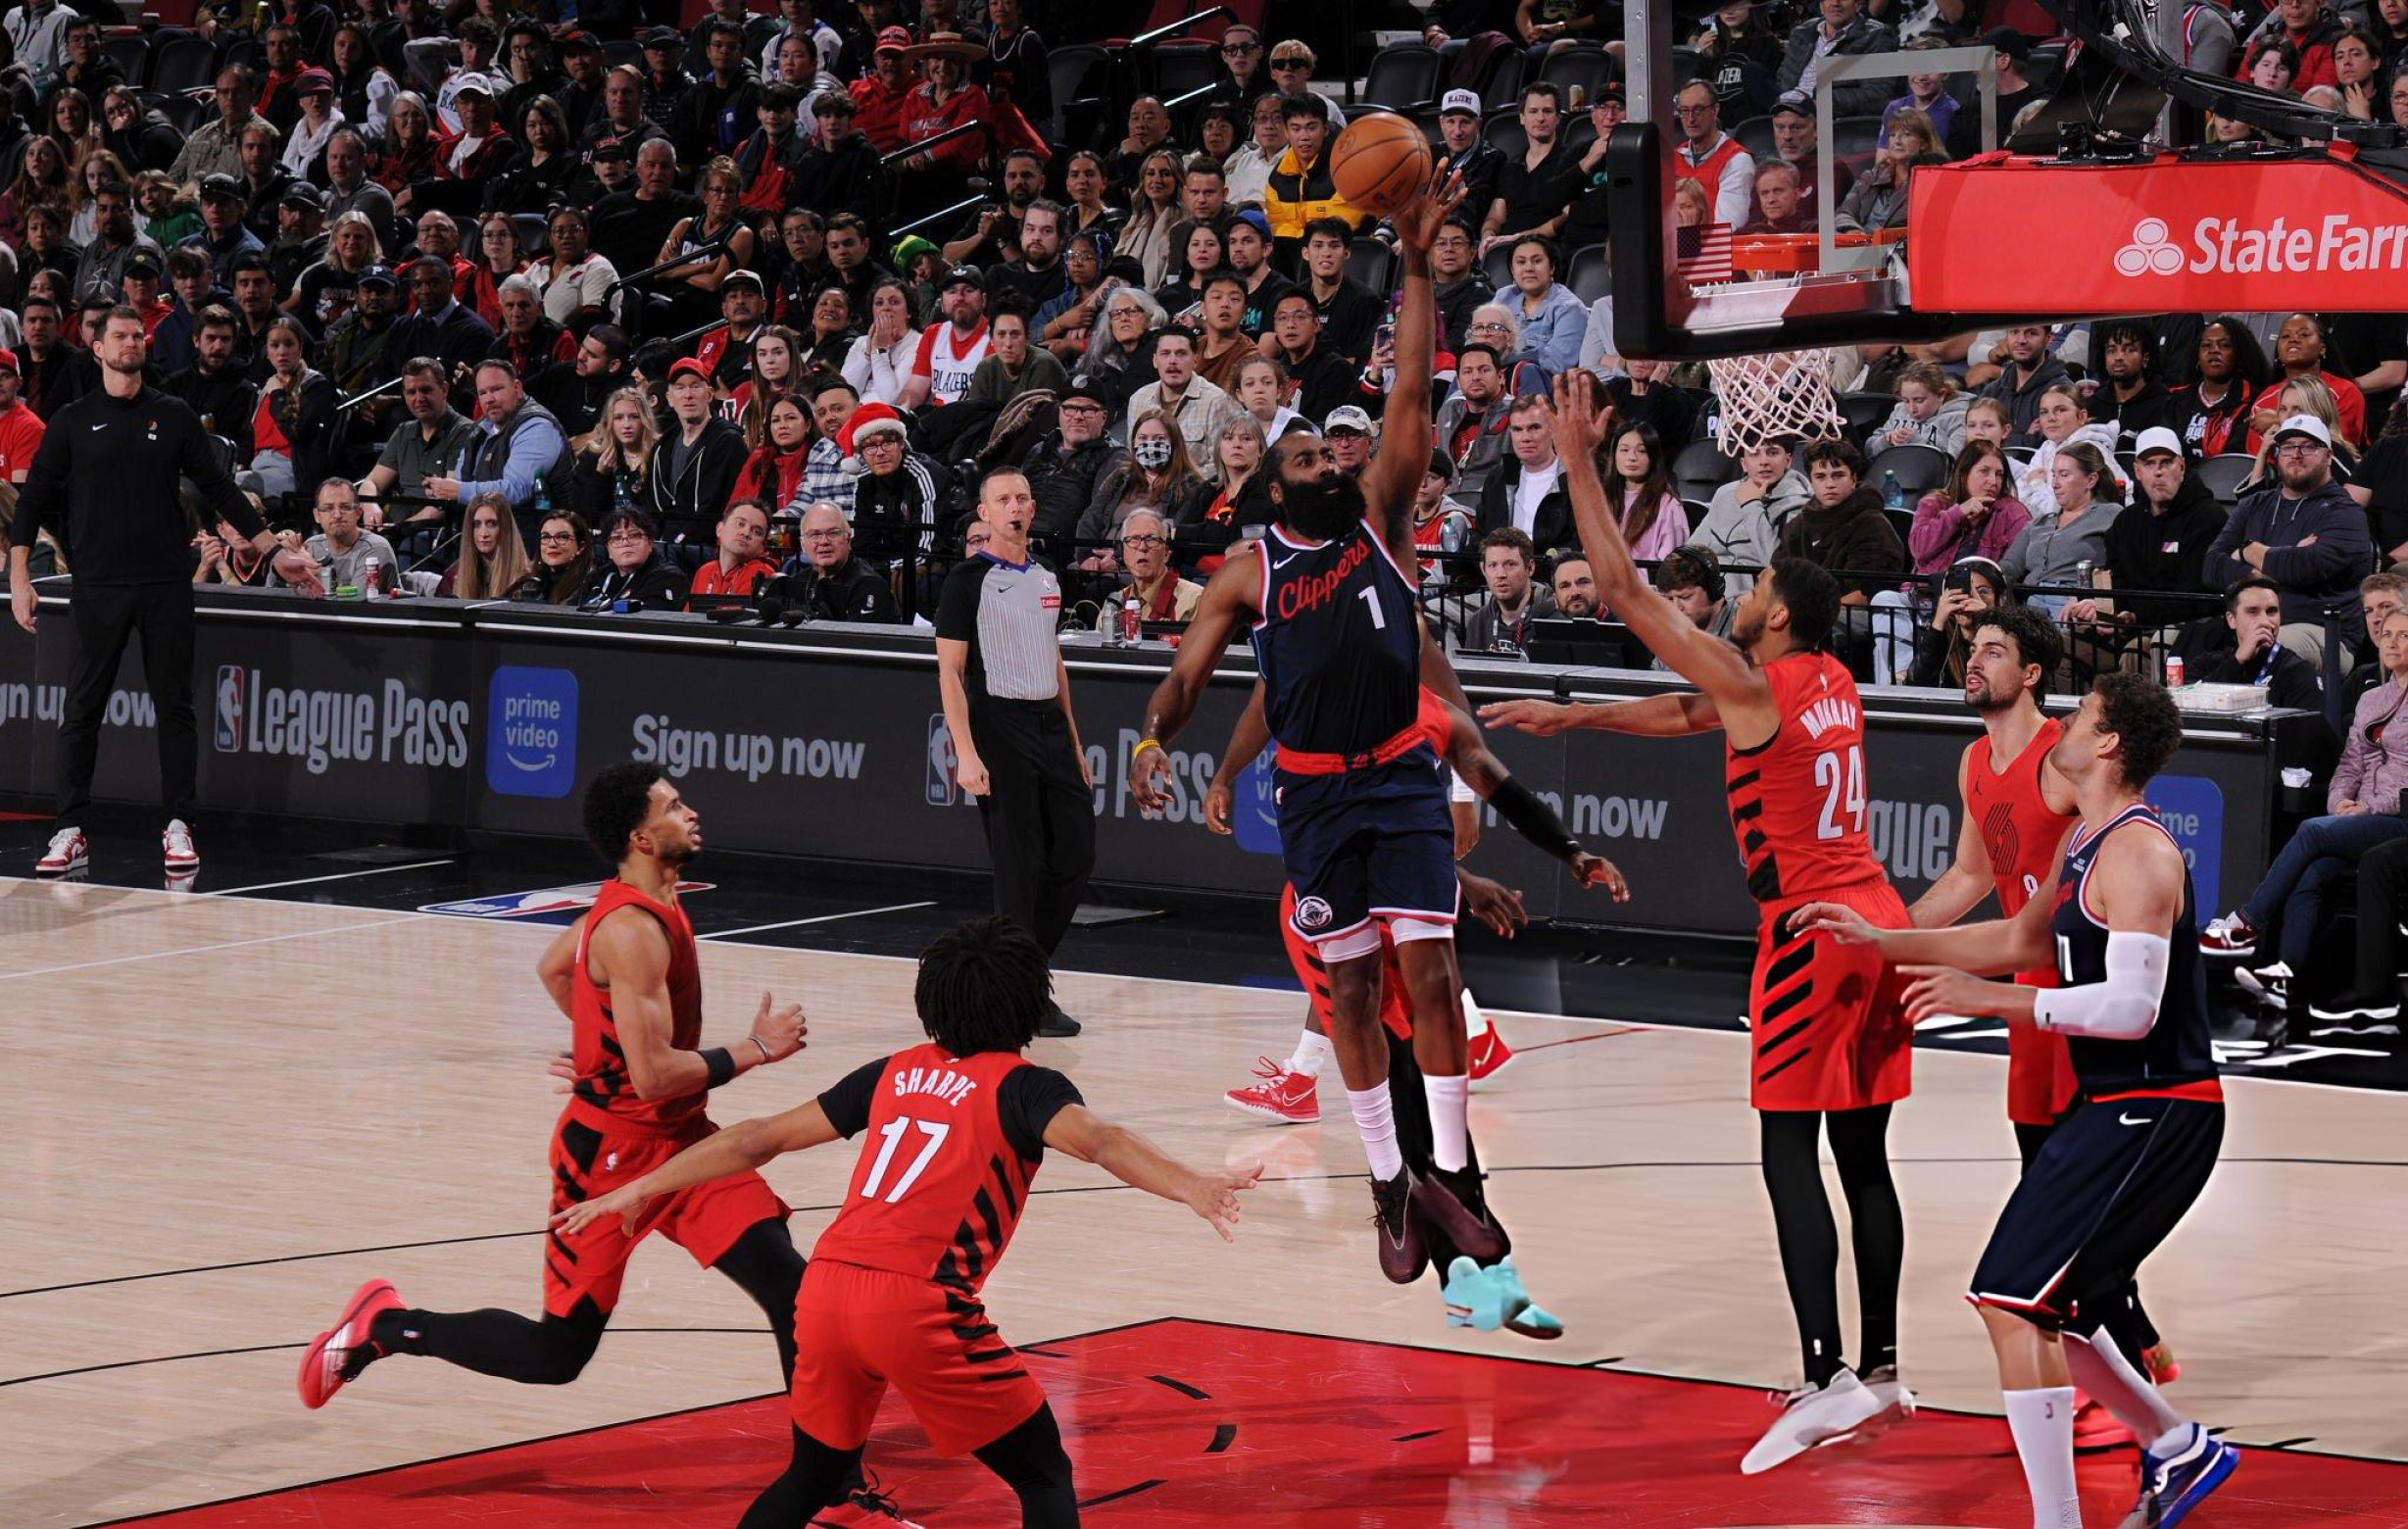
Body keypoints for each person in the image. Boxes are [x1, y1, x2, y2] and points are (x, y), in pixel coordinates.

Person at [1482, 370, 1915, 1471]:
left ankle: (1821, 1380)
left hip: (1810, 934)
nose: (1748, 587)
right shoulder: (1827, 682)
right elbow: (1692, 709)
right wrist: (1578, 711)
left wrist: (1578, 461)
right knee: (1864, 1154)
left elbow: (1625, 591)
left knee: (1787, 1155)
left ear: (1774, 612)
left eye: (1758, 580)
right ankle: (1880, 1370)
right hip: (1877, 920)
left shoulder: (1753, 677)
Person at [555, 914, 1256, 1528]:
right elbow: (1102, 1141)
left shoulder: (892, 1072)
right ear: (1028, 1006)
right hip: (916, 1302)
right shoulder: (1026, 1088)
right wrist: (1189, 1183)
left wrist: (640, 1187)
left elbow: (753, 1137)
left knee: (812, 1476)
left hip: (823, 1294)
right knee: (1043, 1474)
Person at [1136, 176, 1505, 1296]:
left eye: (1332, 458)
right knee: (1350, 997)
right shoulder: (1253, 572)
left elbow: (1408, 390)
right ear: (1275, 491)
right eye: (1307, 461)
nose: (1329, 465)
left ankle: (1454, 1177)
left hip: (1398, 780)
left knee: (1431, 977)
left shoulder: (1382, 524)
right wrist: (1158, 741)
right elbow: (1193, 677)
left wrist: (1417, 263)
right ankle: (1392, 1184)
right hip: (1315, 798)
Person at [1797, 672, 2236, 1529]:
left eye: (2081, 717)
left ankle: (2061, 1517)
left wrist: (1994, 999)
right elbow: (2014, 937)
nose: (2064, 726)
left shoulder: (2139, 851)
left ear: (2107, 745)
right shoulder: (2084, 842)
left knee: (2011, 1300)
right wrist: (1884, 944)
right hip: (2116, 1107)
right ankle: (2178, 1447)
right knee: (2047, 1307)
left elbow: (2130, 1009)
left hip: (2159, 1106)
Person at [299, 764, 811, 1415]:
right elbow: (653, 1077)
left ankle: (828, 1477)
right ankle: (392, 1327)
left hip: (681, 1144)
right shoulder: (630, 929)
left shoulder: (652, 899)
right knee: (556, 1355)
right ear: (642, 839)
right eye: (673, 807)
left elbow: (554, 968)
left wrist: (604, 1055)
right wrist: (756, 1049)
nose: (690, 813)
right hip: (606, 1158)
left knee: (795, 1293)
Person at [13, 306, 321, 878]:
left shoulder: (173, 414)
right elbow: (31, 502)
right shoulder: (72, 420)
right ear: (98, 349)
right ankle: (71, 829)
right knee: (81, 710)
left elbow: (220, 489)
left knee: (174, 708)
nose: (132, 343)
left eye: (138, 335)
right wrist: (20, 577)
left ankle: (178, 825)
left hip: (165, 585)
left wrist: (277, 552)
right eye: (120, 336)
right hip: (98, 586)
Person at [936, 469, 1096, 1038]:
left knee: (1077, 851)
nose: (1016, 508)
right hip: (998, 726)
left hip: (1049, 723)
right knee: (1018, 864)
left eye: (1023, 498)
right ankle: (1023, 991)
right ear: (984, 512)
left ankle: (1024, 968)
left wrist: (1074, 742)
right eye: (1002, 500)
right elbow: (951, 674)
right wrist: (965, 751)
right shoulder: (965, 580)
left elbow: (1055, 663)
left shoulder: (1047, 577)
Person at [2205, 413, 2375, 665]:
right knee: (2175, 639)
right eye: (2288, 447)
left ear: (2328, 456)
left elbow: (2306, 567)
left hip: (2323, 634)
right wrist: (2283, 558)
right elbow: (2211, 567)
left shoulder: (2345, 513)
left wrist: (2246, 551)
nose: (2296, 454)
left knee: (2270, 643)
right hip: (2246, 626)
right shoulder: (2255, 504)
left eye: (2308, 446)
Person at [1694, 435, 1811, 577]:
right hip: (1711, 588)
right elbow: (1693, 548)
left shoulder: (1801, 505)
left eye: (1773, 453)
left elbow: (1781, 567)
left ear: (1788, 460)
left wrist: (1751, 505)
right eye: (1754, 453)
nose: (1764, 462)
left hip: (1758, 593)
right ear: (1743, 463)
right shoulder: (1725, 493)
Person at [779, 501, 900, 622]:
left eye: (833, 533)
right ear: (803, 544)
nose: (823, 541)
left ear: (848, 540)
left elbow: (857, 640)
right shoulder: (800, 582)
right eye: (815, 535)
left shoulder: (870, 585)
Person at [279, 477, 399, 595]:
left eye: (345, 507)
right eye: (328, 508)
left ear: (358, 513)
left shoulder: (376, 549)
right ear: (317, 516)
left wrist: (316, 574)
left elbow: (356, 604)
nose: (337, 515)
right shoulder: (311, 547)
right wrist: (282, 556)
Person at [1461, 526, 1554, 654]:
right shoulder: (1479, 623)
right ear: (1483, 570)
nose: (1501, 574)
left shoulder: (1553, 621)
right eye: (1493, 565)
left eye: (1510, 564)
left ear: (1530, 568)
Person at [578, 506, 690, 611]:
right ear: (607, 548)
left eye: (634, 536)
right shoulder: (596, 578)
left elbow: (651, 620)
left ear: (650, 543)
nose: (626, 543)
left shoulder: (668, 577)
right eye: (617, 538)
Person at [438, 491, 531, 597]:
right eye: (476, 525)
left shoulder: (525, 580)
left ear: (506, 529)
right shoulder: (453, 576)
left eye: (492, 524)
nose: (483, 534)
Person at [685, 498, 779, 602]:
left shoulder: (761, 574)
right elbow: (687, 616)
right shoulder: (704, 571)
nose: (746, 533)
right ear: (719, 529)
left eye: (757, 532)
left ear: (763, 546)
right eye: (740, 524)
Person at [520, 510, 593, 604]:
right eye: (546, 537)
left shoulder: (588, 586)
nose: (552, 544)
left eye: (562, 537)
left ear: (580, 547)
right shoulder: (528, 581)